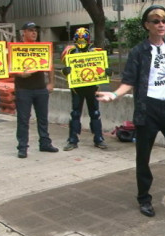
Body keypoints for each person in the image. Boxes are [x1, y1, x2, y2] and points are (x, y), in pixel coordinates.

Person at [96, 5, 165, 217]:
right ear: (147, 25)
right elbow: (129, 80)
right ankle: (144, 199)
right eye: (155, 21)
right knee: (143, 157)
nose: (161, 24)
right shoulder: (139, 51)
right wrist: (113, 95)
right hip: (148, 108)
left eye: (164, 20)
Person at [14, 22, 58, 158]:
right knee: (23, 119)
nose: (34, 33)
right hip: (23, 89)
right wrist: (21, 74)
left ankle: (44, 143)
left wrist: (51, 83)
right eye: (31, 30)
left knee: (43, 118)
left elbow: (50, 65)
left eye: (35, 31)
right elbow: (11, 68)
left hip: (40, 89)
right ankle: (22, 147)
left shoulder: (42, 48)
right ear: (24, 33)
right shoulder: (17, 48)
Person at [60, 27, 107, 151]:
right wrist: (66, 71)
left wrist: (108, 72)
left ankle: (99, 138)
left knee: (95, 113)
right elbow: (64, 69)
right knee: (75, 113)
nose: (81, 41)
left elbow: (103, 69)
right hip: (77, 88)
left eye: (83, 39)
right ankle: (72, 140)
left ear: (88, 39)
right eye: (78, 39)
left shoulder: (96, 52)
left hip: (92, 87)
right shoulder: (70, 53)